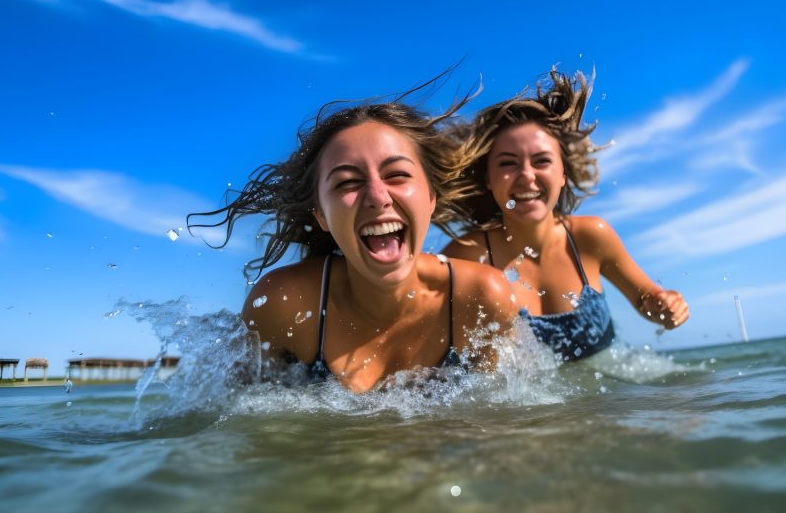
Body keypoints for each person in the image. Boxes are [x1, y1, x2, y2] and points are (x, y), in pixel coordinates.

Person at [190, 90, 517, 393]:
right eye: (347, 182)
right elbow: (233, 428)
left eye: (397, 175)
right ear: (320, 214)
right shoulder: (284, 305)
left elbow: (501, 426)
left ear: (431, 196)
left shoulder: (479, 298)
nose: (377, 197)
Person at [442, 69, 689, 361]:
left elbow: (646, 298)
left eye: (541, 161)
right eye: (508, 164)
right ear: (488, 179)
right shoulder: (466, 258)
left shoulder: (590, 236)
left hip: (610, 403)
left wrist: (666, 305)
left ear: (563, 174)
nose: (526, 176)